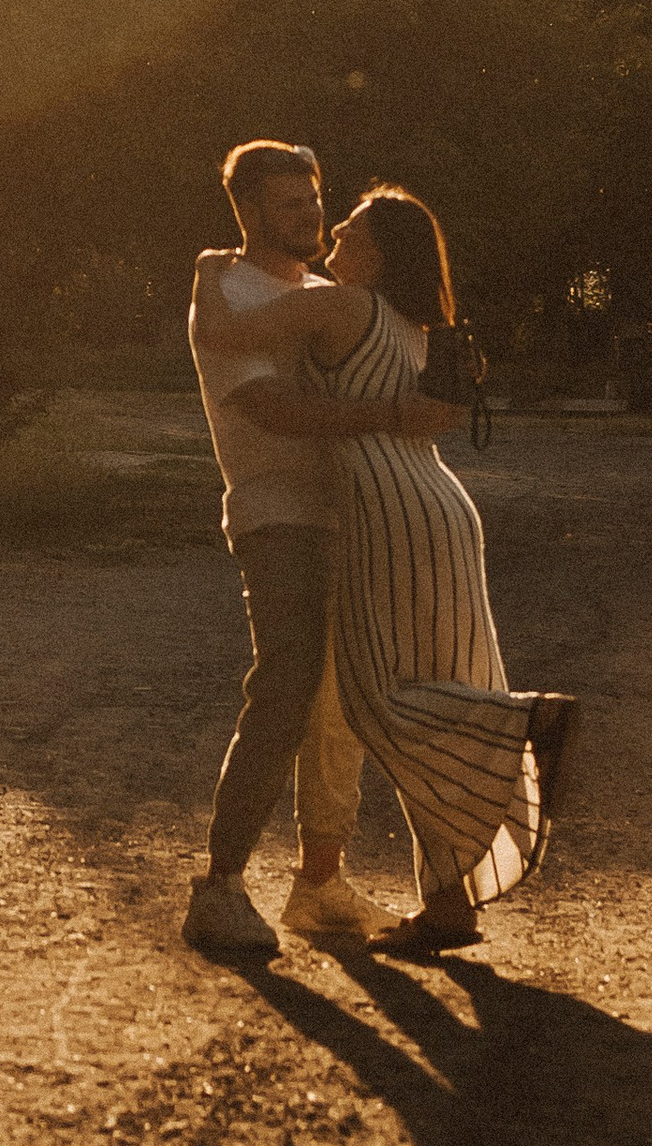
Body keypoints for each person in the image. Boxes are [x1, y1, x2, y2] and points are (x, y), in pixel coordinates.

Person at [193, 179, 577, 960]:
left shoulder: (337, 306)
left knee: (375, 700)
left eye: (349, 229)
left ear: (376, 254)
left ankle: (517, 724)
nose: (332, 231)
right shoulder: (411, 325)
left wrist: (204, 268)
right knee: (446, 669)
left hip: (388, 506)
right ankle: (448, 906)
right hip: (439, 501)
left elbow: (226, 331)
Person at [183, 140, 468, 958]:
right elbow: (271, 407)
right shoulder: (227, 287)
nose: (309, 216)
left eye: (314, 201)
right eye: (289, 204)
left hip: (356, 513)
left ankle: (319, 883)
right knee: (285, 682)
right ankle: (221, 884)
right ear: (248, 212)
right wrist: (391, 418)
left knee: (343, 701)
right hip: (277, 512)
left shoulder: (325, 289)